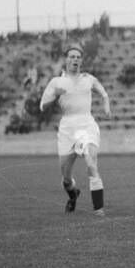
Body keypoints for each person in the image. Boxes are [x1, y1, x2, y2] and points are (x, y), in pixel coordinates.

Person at [39, 44, 111, 216]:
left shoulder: (88, 78)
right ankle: (73, 194)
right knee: (65, 177)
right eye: (72, 56)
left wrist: (106, 106)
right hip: (67, 129)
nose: (75, 59)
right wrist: (55, 95)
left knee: (91, 164)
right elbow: (42, 106)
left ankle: (98, 209)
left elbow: (103, 93)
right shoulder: (56, 82)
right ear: (66, 60)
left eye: (78, 57)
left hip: (87, 125)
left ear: (81, 60)